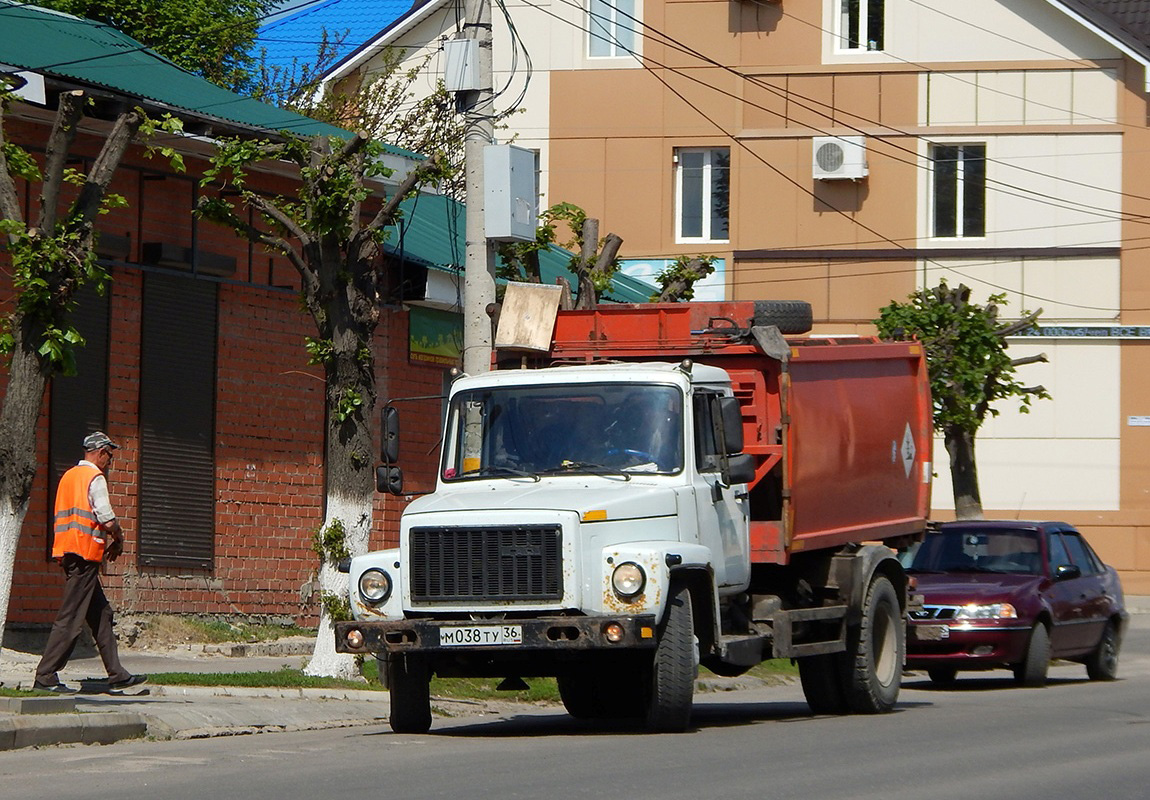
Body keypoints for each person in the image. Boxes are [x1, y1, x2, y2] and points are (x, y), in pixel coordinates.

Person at [33, 432, 146, 694]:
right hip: (84, 556)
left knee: (102, 613)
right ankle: (45, 675)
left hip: (70, 553)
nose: (110, 460)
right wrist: (118, 536)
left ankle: (117, 674)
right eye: (110, 454)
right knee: (71, 618)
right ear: (100, 452)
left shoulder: (69, 477)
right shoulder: (94, 477)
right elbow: (106, 518)